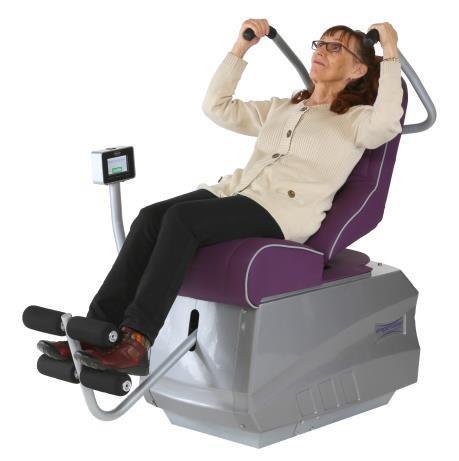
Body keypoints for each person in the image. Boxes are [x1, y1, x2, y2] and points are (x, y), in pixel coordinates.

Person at [37, 18, 403, 376]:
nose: (320, 50)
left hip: (283, 210)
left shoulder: (359, 120)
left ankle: (136, 340)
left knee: (182, 220)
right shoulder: (284, 108)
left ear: (357, 69)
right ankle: (96, 333)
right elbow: (216, 106)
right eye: (320, 43)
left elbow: (389, 122)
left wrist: (389, 51)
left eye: (335, 47)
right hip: (235, 193)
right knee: (150, 217)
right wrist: (241, 47)